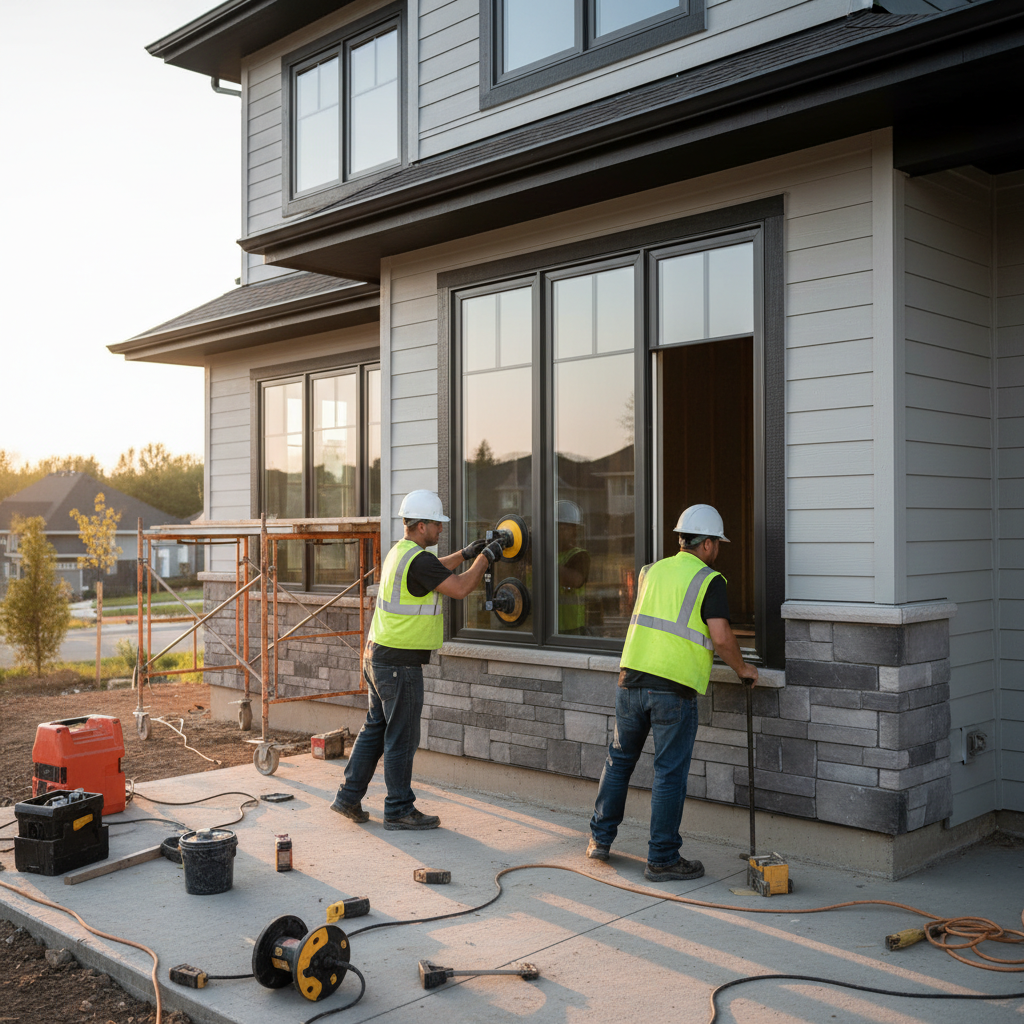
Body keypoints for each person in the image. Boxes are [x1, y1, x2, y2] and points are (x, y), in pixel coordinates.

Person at [588, 503, 758, 880]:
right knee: (668, 773)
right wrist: (744, 669)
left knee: (619, 762)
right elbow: (721, 637)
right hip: (673, 691)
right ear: (709, 545)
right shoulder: (709, 579)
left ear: (681, 539)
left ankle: (600, 840)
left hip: (630, 681)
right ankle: (662, 858)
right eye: (718, 544)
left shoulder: (650, 572)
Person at [331, 490, 503, 830]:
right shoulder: (419, 560)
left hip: (376, 657)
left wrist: (467, 554)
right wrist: (486, 559)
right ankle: (398, 809)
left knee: (375, 730)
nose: (440, 531)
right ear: (421, 525)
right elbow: (457, 588)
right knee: (402, 737)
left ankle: (347, 797)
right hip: (398, 665)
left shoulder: (402, 552)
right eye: (437, 526)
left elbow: (434, 571)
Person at [556, 500, 590, 635]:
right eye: (558, 527)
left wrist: (543, 560)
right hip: (540, 627)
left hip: (571, 629)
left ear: (574, 531)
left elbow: (574, 580)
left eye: (565, 528)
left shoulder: (579, 556)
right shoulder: (538, 556)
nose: (561, 532)